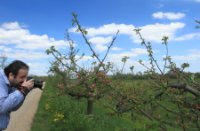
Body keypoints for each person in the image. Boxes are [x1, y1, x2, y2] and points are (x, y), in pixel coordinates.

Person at [0, 60, 34, 130]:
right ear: (11, 75)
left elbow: (13, 107)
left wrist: (24, 93)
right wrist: (22, 90)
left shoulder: (12, 83)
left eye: (26, 77)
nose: (24, 81)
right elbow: (1, 107)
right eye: (22, 77)